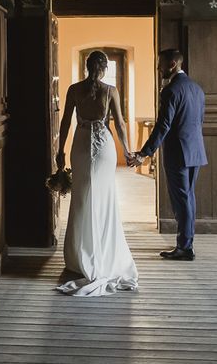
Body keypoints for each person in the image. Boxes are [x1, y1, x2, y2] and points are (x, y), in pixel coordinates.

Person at [54, 50, 138, 297]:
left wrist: (59, 150)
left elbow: (65, 121)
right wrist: (128, 150)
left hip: (80, 145)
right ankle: (101, 250)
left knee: (81, 197)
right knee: (103, 197)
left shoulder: (73, 89)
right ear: (103, 69)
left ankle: (79, 257)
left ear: (87, 66)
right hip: (103, 146)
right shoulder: (110, 91)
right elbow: (120, 124)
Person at [130, 49, 207, 261]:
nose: (158, 68)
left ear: (172, 64)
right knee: (188, 198)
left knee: (181, 200)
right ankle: (186, 243)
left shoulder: (171, 90)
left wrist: (144, 153)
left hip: (179, 154)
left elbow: (163, 126)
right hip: (196, 151)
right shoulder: (197, 89)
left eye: (161, 64)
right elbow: (199, 121)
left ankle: (185, 247)